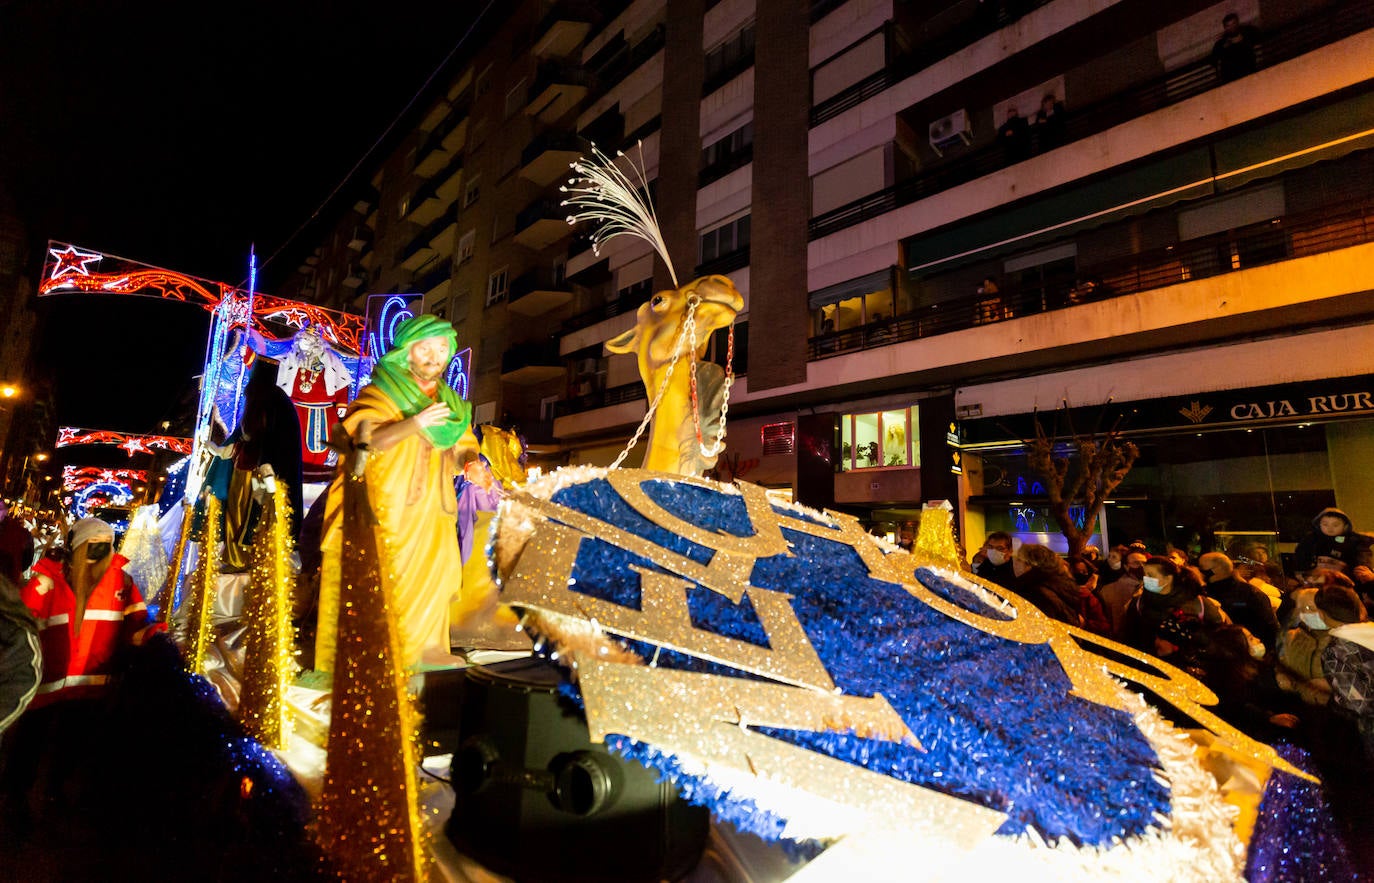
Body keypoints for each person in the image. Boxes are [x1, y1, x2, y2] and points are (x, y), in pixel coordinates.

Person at [315, 314, 475, 674]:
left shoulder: (451, 404)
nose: (434, 356)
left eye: (441, 349)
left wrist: (472, 464)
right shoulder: (380, 394)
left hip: (435, 505)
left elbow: (465, 444)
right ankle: (378, 645)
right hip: (389, 503)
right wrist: (414, 424)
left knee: (435, 572)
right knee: (389, 572)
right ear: (406, 353)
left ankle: (429, 647)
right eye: (425, 348)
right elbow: (362, 441)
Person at [1, 518, 162, 829]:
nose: (99, 551)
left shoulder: (122, 583)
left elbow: (136, 623)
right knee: (30, 743)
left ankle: (55, 793)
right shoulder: (47, 579)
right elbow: (20, 622)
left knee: (72, 744)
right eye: (92, 544)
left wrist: (157, 637)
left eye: (106, 544)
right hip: (46, 684)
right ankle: (16, 796)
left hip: (90, 684)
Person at [1276, 582, 1366, 706]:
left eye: (1310, 609)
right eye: (1300, 608)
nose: (1303, 614)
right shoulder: (1292, 637)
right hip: (1303, 707)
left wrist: (1333, 686)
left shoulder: (1345, 642)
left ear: (1326, 611)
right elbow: (1283, 664)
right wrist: (1281, 675)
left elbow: (1360, 696)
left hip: (1337, 711)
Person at [1120, 555, 1228, 653]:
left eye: (1151, 575)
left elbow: (1220, 637)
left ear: (1168, 579)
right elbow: (1129, 639)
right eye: (1145, 574)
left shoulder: (1198, 603)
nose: (1145, 578)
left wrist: (1189, 635)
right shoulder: (1139, 603)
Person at [1011, 543, 1108, 632]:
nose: (1015, 564)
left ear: (1030, 564)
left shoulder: (1037, 593)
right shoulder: (1056, 586)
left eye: (1019, 560)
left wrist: (1083, 624)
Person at [1198, 552, 1280, 655]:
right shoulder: (1202, 594)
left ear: (1217, 569)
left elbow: (1270, 628)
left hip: (1246, 653)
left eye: (1202, 568)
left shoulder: (1250, 594)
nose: (1199, 572)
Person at [1292, 507, 1373, 583]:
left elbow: (1363, 558)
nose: (1330, 528)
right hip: (1315, 581)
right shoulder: (1310, 540)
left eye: (1335, 525)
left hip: (1344, 581)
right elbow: (1300, 557)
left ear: (1345, 526)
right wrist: (1300, 571)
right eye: (1325, 524)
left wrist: (1364, 569)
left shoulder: (1354, 541)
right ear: (1319, 525)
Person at [1098, 549, 1148, 637]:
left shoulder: (1147, 584)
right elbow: (1118, 620)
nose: (1141, 566)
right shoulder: (1120, 588)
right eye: (1136, 563)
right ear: (1126, 566)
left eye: (1144, 563)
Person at [1211, 12, 1260, 83]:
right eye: (1228, 26)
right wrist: (1223, 48)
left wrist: (1244, 38)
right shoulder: (1221, 43)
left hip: (1248, 71)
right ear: (1225, 28)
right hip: (1231, 77)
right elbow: (1213, 60)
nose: (1232, 27)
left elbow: (1257, 35)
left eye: (1233, 23)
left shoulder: (1246, 33)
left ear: (1237, 23)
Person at [0, 500, 34, 587]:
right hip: (8, 585)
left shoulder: (22, 534)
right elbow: (26, 561)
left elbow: (26, 560)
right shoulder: (23, 534)